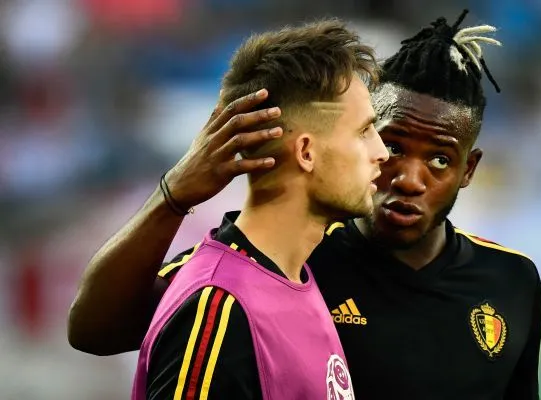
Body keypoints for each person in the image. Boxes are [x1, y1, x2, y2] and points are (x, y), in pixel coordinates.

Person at [68, 11, 541, 400]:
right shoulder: (277, 265)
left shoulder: (511, 281)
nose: (404, 176)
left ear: (469, 169)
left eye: (439, 159)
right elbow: (97, 330)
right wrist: (172, 195)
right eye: (388, 142)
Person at [127, 19, 388, 399]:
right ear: (306, 152)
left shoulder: (298, 278)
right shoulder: (219, 305)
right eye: (363, 131)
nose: (381, 152)